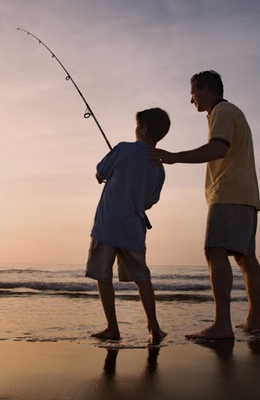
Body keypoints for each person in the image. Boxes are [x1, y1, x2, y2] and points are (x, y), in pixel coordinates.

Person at [149, 71, 260, 340]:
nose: (191, 100)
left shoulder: (222, 111)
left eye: (193, 93)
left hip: (228, 193)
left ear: (206, 89)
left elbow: (218, 149)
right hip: (247, 195)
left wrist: (174, 157)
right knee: (245, 257)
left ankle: (222, 324)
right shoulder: (235, 112)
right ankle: (254, 320)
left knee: (214, 251)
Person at [86, 107, 170, 342]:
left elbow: (100, 172)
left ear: (142, 129)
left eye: (137, 126)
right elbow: (150, 201)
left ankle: (112, 328)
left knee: (103, 276)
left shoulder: (123, 149)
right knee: (142, 278)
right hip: (134, 229)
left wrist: (102, 176)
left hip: (107, 226)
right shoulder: (159, 167)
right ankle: (154, 327)